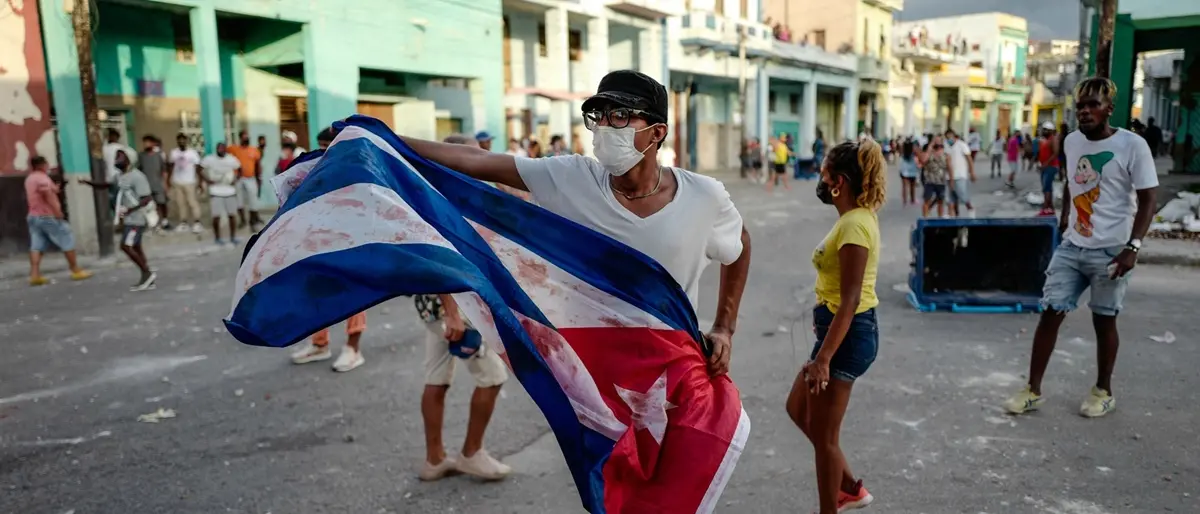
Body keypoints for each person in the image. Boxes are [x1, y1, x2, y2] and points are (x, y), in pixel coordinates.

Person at [398, 69, 751, 380]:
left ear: (657, 132)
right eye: (598, 117)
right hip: (595, 376)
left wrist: (724, 327)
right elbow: (476, 160)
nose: (603, 127)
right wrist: (383, 136)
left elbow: (739, 244)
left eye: (620, 116)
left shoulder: (703, 196)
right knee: (607, 457)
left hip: (673, 367)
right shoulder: (572, 177)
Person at [1003, 77, 1159, 419]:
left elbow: (1149, 199)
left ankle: (1103, 391)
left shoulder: (1133, 146)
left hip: (1112, 249)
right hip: (1073, 246)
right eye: (1081, 106)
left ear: (1109, 109)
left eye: (1093, 105)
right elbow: (1072, 183)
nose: (1085, 111)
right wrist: (1064, 218)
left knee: (1104, 320)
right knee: (1051, 311)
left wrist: (1133, 247)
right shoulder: (1072, 142)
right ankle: (1032, 389)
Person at [785, 139, 885, 514]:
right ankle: (848, 486)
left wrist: (824, 358)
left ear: (839, 181)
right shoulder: (851, 220)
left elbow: (851, 300)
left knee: (826, 437)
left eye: (825, 173)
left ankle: (836, 503)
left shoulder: (856, 226)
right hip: (836, 333)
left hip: (847, 336)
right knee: (798, 408)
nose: (820, 179)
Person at [288, 127, 372, 372]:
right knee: (316, 290)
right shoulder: (315, 169)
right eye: (321, 146)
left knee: (354, 295)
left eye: (329, 146)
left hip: (352, 241)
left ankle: (353, 349)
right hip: (320, 241)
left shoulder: (358, 169)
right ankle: (319, 343)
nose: (324, 152)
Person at [25, 156, 92, 286]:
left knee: (36, 245)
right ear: (43, 165)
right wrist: (57, 212)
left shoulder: (30, 179)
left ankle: (34, 274)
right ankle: (75, 269)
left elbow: (45, 191)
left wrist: (55, 188)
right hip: (47, 216)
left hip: (33, 216)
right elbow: (47, 195)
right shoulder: (42, 178)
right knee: (66, 238)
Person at [113, 149, 157, 291]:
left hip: (136, 219)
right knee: (136, 247)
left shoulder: (138, 177)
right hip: (129, 219)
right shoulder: (121, 176)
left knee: (126, 246)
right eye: (116, 156)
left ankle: (147, 273)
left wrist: (129, 210)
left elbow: (146, 198)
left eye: (121, 156)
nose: (117, 159)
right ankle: (147, 278)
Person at [198, 142, 242, 246]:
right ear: (216, 149)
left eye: (222, 148)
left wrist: (235, 180)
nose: (220, 150)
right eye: (219, 148)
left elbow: (240, 169)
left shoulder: (231, 159)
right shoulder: (210, 159)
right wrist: (206, 180)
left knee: (232, 215)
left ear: (225, 150)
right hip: (215, 190)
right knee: (216, 216)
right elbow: (199, 169)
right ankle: (217, 238)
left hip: (229, 190)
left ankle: (233, 237)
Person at [167, 133, 204, 233]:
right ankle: (183, 223)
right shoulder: (174, 152)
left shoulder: (192, 153)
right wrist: (168, 181)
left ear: (186, 141)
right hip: (177, 181)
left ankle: (197, 222)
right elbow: (170, 166)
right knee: (180, 203)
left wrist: (200, 182)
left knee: (192, 202)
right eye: (179, 140)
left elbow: (198, 168)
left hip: (190, 181)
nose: (181, 142)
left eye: (183, 140)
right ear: (177, 141)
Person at [229, 131, 263, 231]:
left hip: (251, 178)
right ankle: (243, 221)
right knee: (239, 200)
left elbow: (257, 165)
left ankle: (253, 221)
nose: (246, 139)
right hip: (239, 179)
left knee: (253, 200)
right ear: (240, 138)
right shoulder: (234, 149)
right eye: (244, 137)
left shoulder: (254, 150)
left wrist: (259, 178)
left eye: (247, 137)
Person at [138, 135, 170, 230]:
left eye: (147, 142)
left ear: (152, 143)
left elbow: (164, 171)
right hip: (146, 185)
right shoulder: (141, 156)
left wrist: (165, 183)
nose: (145, 144)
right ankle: (152, 223)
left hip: (158, 184)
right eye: (144, 142)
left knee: (162, 203)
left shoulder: (158, 155)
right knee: (148, 205)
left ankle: (164, 221)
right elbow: (139, 170)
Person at [102, 129, 137, 210]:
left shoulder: (104, 149)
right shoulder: (125, 149)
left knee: (114, 203)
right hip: (123, 178)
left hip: (110, 179)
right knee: (124, 202)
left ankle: (118, 218)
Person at [944, 129, 976, 217]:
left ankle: (970, 209)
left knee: (962, 195)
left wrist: (972, 172)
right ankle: (954, 215)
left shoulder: (961, 145)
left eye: (950, 137)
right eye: (947, 138)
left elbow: (969, 159)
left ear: (954, 136)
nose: (949, 139)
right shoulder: (946, 146)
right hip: (949, 176)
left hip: (960, 175)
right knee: (951, 197)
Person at [1036, 121, 1061, 216]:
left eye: (1045, 130)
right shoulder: (1044, 140)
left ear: (1050, 131)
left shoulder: (1053, 139)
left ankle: (1045, 208)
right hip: (1045, 167)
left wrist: (1046, 164)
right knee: (1046, 188)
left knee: (1047, 188)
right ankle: (1050, 208)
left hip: (1050, 167)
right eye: (1043, 129)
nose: (1043, 131)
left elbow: (1055, 153)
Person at [921, 136, 949, 218]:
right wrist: (930, 148)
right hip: (929, 180)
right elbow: (923, 160)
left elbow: (949, 165)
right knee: (927, 199)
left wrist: (951, 178)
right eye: (935, 141)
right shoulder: (929, 151)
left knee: (940, 200)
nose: (937, 143)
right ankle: (925, 217)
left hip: (941, 180)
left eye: (939, 141)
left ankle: (940, 217)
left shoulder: (945, 152)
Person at [898, 139, 919, 206]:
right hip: (913, 170)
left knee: (904, 186)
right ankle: (912, 200)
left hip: (904, 170)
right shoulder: (913, 151)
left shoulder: (903, 151)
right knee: (912, 186)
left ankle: (904, 200)